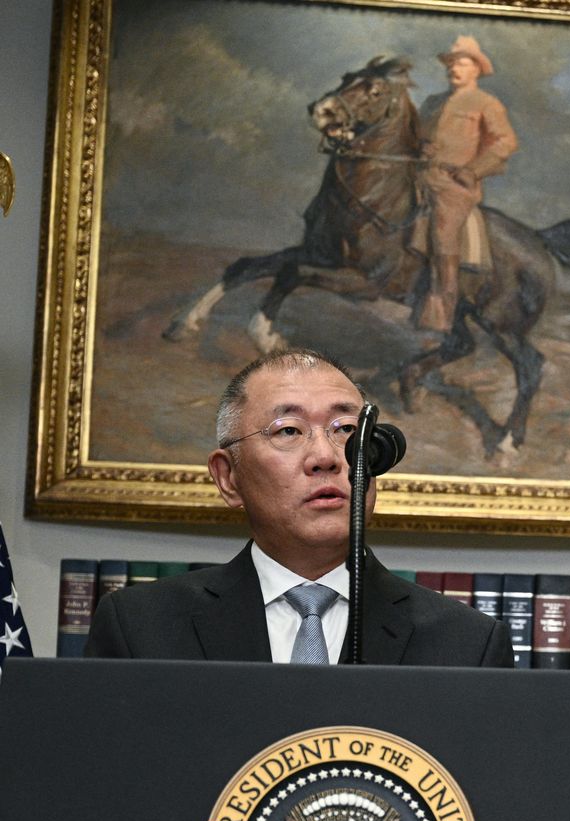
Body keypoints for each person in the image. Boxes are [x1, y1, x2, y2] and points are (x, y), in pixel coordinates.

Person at [86, 349, 511, 667]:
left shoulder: (467, 643)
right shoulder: (141, 628)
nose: (326, 456)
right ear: (228, 477)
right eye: (288, 430)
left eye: (346, 429)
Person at [414, 35, 518, 333]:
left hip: (454, 186)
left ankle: (441, 311)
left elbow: (506, 142)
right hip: (421, 176)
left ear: (476, 69)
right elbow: (419, 138)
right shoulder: (433, 102)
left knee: (443, 231)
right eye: (450, 63)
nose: (453, 68)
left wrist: (474, 170)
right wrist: (422, 148)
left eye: (461, 63)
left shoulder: (486, 103)